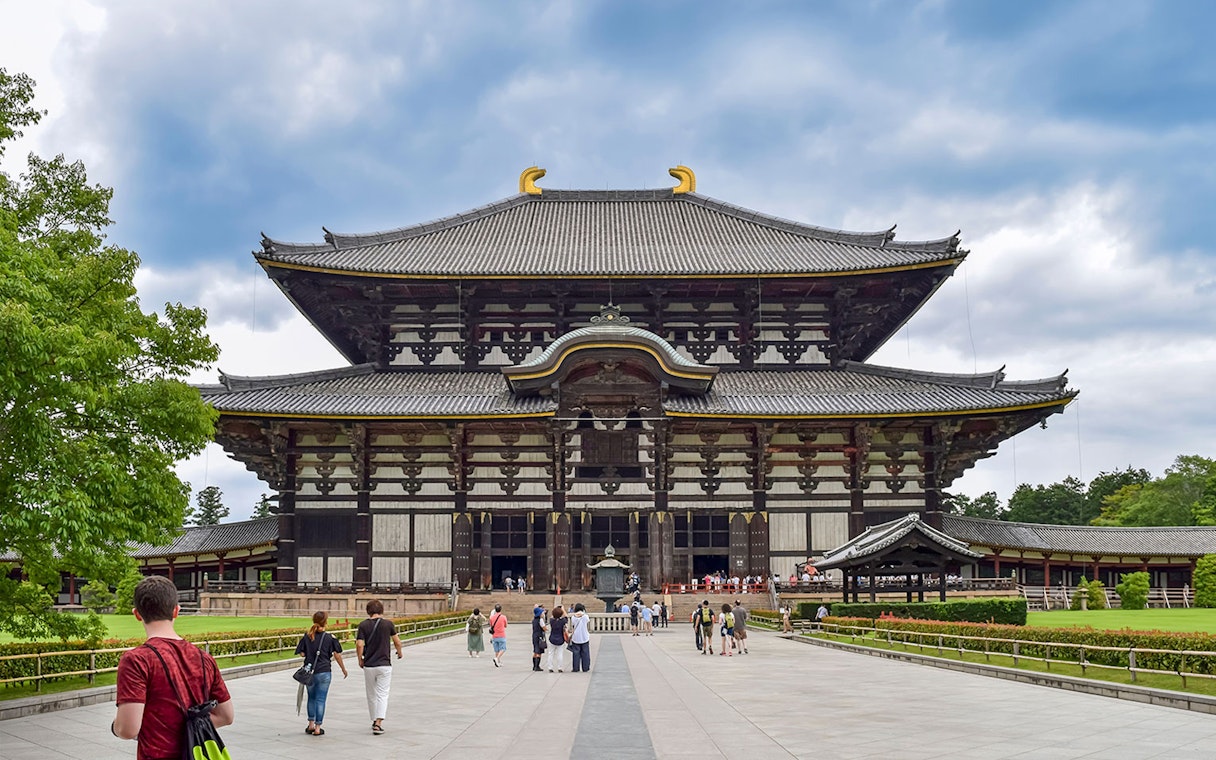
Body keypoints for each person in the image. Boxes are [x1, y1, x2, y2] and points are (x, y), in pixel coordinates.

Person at [113, 576, 234, 759]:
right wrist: (188, 728)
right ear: (176, 611)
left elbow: (128, 729)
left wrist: (115, 727)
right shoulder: (204, 658)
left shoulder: (137, 660)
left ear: (137, 614)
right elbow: (226, 716)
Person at [295, 611, 348, 736]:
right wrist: (343, 669)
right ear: (326, 622)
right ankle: (318, 727)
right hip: (324, 671)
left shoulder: (307, 636)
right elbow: (337, 654)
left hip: (310, 671)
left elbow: (302, 653)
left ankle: (310, 724)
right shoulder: (330, 637)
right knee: (321, 699)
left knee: (311, 698)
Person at [356, 599, 403, 736]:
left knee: (371, 694)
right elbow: (397, 641)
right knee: (383, 693)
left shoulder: (363, 625)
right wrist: (399, 653)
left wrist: (360, 659)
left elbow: (359, 645)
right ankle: (378, 722)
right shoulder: (388, 624)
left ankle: (373, 719)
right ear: (382, 610)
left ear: (368, 611)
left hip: (369, 664)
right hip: (384, 664)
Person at [568, 603, 591, 672]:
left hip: (576, 636)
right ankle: (585, 667)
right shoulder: (585, 616)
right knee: (585, 653)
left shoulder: (573, 617)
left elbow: (573, 624)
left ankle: (576, 668)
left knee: (576, 653)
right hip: (584, 636)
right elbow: (587, 621)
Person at [545, 606, 568, 672]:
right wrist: (563, 610)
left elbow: (553, 616)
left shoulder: (551, 621)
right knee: (560, 654)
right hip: (560, 639)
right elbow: (566, 616)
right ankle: (559, 667)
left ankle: (550, 667)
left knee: (550, 653)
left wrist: (555, 610)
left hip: (552, 638)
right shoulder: (562, 621)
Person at [489, 603, 508, 668]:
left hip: (494, 635)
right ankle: (497, 659)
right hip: (501, 635)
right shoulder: (503, 617)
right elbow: (505, 625)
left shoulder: (491, 617)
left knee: (497, 650)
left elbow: (491, 626)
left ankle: (498, 662)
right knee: (503, 648)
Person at [531, 605, 547, 671]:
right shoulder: (540, 620)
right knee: (539, 651)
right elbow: (544, 628)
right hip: (539, 636)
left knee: (535, 650)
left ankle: (534, 665)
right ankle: (537, 666)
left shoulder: (534, 620)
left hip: (534, 635)